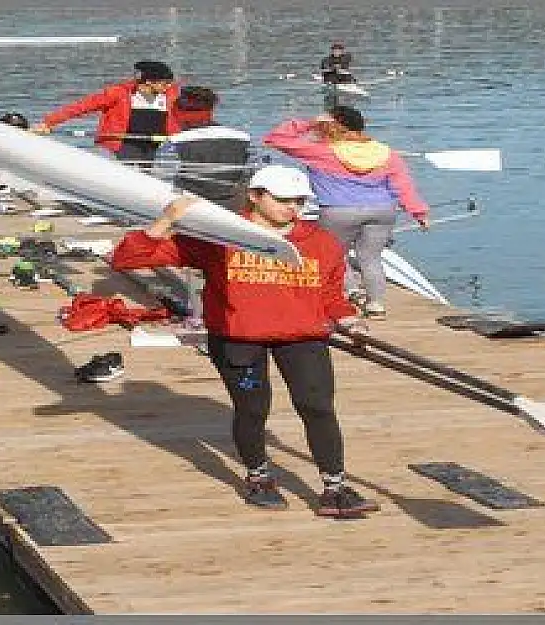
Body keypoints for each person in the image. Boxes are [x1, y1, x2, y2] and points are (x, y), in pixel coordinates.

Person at [110, 165, 380, 519]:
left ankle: (335, 487)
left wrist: (350, 321)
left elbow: (330, 295)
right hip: (239, 338)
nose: (292, 208)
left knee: (317, 407)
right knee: (253, 408)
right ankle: (259, 478)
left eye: (299, 201)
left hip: (302, 337)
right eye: (283, 200)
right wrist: (168, 218)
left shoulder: (320, 242)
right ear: (255, 196)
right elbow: (127, 259)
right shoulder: (219, 235)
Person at [263, 106, 430, 318]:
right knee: (371, 257)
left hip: (338, 211)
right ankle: (376, 304)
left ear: (333, 126)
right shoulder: (387, 153)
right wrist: (419, 213)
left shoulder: (321, 151)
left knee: (334, 255)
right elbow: (403, 186)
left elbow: (275, 139)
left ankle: (350, 292)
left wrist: (310, 123)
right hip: (382, 211)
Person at [31, 61, 181, 167]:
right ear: (149, 82)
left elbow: (183, 117)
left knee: (145, 179)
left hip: (151, 146)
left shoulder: (170, 94)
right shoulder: (118, 93)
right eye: (164, 83)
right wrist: (48, 122)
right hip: (119, 145)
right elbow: (81, 107)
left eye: (170, 83)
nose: (169, 86)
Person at [153, 86, 252, 210]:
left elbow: (161, 180)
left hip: (192, 207)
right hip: (234, 205)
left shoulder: (174, 142)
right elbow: (251, 172)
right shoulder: (243, 137)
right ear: (211, 112)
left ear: (179, 115)